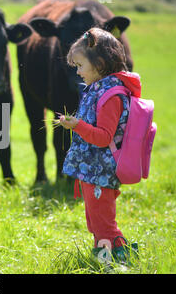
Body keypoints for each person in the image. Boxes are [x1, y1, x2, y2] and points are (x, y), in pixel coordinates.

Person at [59, 27, 139, 263]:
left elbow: (104, 137)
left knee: (103, 224)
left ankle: (117, 262)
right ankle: (108, 258)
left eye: (80, 66)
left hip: (100, 172)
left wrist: (77, 125)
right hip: (93, 170)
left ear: (100, 63)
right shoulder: (98, 89)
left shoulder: (110, 96)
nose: (78, 72)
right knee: (95, 221)